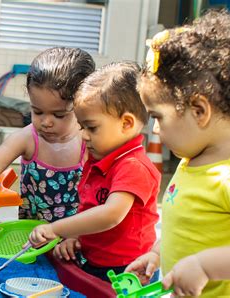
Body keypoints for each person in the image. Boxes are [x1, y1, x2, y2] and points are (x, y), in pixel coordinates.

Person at [125, 10, 230, 297]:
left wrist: (205, 266)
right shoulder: (193, 159)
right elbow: (190, 228)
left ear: (199, 111)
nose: (154, 130)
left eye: (158, 117)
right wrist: (157, 254)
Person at [28, 62, 161, 282]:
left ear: (126, 123)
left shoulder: (133, 166)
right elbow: (91, 210)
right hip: (95, 263)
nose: (84, 136)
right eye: (82, 127)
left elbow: (110, 215)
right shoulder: (100, 159)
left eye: (92, 127)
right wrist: (77, 237)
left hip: (129, 271)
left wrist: (57, 229)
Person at [0, 47, 95, 223]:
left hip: (74, 237)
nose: (46, 122)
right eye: (37, 112)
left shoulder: (89, 142)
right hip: (32, 236)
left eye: (59, 115)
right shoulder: (28, 138)